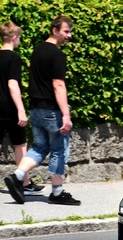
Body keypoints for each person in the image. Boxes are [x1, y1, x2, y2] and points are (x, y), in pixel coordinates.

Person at [4, 16, 79, 205]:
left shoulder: (37, 50)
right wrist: (66, 114)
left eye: (70, 31)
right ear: (55, 30)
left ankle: (17, 176)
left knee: (39, 147)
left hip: (36, 108)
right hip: (51, 110)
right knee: (58, 150)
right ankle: (57, 192)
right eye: (66, 31)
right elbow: (58, 85)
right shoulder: (57, 54)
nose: (69, 35)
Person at [0, 22, 44, 196]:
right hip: (8, 107)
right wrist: (20, 109)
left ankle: (25, 181)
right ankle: (24, 182)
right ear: (14, 37)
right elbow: (13, 84)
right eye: (19, 37)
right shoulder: (13, 58)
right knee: (20, 144)